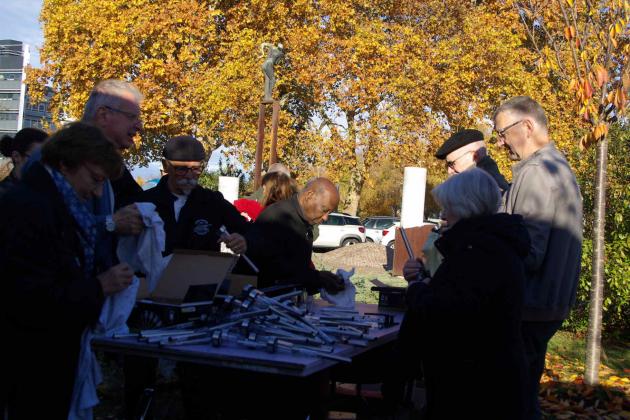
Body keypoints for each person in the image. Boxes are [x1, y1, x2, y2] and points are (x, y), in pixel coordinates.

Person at [0, 122, 134, 419]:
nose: (97, 193)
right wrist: (100, 286)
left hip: (46, 359)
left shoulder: (53, 203)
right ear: (65, 164)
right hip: (31, 362)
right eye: (95, 179)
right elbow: (31, 298)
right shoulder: (30, 208)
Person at [400, 168, 530, 419]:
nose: (444, 215)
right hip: (490, 379)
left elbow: (449, 311)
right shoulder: (493, 245)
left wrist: (417, 290)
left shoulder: (478, 252)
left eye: (448, 207)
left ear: (464, 207)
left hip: (476, 387)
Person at [493, 96, 583, 419]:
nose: (501, 142)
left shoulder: (536, 172)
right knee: (524, 397)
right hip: (546, 305)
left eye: (502, 133)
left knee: (511, 403)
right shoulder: (559, 166)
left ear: (527, 126)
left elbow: (528, 251)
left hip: (528, 306)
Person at [137, 135, 248, 256]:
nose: (189, 176)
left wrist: (242, 239)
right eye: (182, 169)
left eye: (196, 169)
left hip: (201, 273)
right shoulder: (144, 202)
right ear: (165, 166)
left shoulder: (212, 202)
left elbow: (249, 231)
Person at [248, 177, 345, 294]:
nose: (326, 217)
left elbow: (298, 266)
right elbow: (275, 269)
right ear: (309, 195)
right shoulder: (277, 217)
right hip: (263, 301)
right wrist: (317, 278)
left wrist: (321, 280)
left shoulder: (304, 221)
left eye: (329, 212)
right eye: (324, 209)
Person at [435, 128, 509, 191]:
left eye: (451, 164)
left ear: (475, 156)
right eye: (447, 165)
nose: (449, 170)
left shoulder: (486, 192)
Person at [0, 128, 48, 199]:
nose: (46, 165)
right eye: (38, 157)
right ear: (16, 156)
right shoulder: (4, 195)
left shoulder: (47, 192)